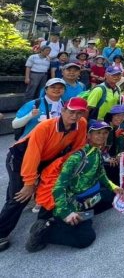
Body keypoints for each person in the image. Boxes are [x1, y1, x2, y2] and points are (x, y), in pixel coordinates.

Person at [0, 97, 88, 252]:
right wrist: (29, 183)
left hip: (47, 158)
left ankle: (41, 223)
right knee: (20, 196)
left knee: (50, 186)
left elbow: (78, 148)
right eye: (71, 111)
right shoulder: (45, 127)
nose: (74, 116)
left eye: (79, 113)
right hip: (20, 157)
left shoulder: (81, 124)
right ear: (62, 110)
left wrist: (61, 165)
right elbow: (32, 154)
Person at [25, 120, 124, 252]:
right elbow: (58, 187)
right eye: (97, 133)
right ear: (88, 136)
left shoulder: (96, 152)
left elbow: (101, 174)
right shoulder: (77, 157)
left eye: (105, 133)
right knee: (86, 238)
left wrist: (114, 187)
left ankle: (84, 217)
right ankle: (46, 230)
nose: (102, 136)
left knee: (113, 197)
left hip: (86, 196)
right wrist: (66, 212)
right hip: (69, 202)